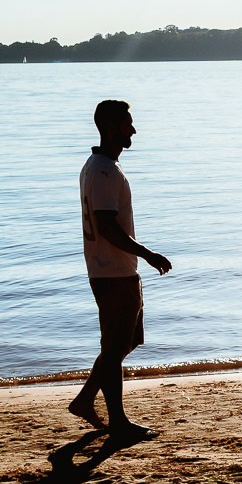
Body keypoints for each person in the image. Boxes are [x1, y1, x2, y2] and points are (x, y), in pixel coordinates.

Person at [69, 99, 172, 442]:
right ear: (111, 127)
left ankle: (87, 400)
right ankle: (116, 421)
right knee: (115, 347)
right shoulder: (103, 170)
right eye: (127, 123)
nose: (133, 129)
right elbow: (106, 226)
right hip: (111, 272)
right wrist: (147, 253)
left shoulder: (100, 166)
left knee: (124, 342)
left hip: (115, 270)